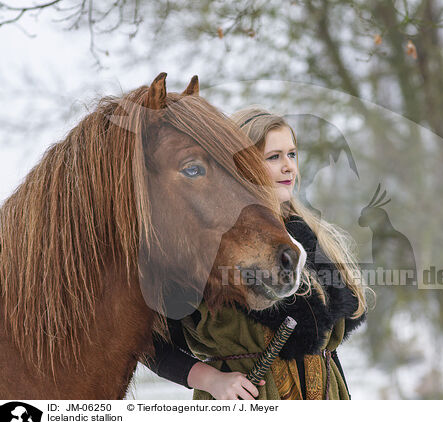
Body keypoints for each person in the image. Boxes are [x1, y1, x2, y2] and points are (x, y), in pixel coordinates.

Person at [146, 108, 368, 400]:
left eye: (292, 154)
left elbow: (327, 347)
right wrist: (210, 379)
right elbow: (147, 343)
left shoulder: (312, 234)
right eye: (273, 157)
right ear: (241, 166)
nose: (288, 166)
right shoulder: (208, 245)